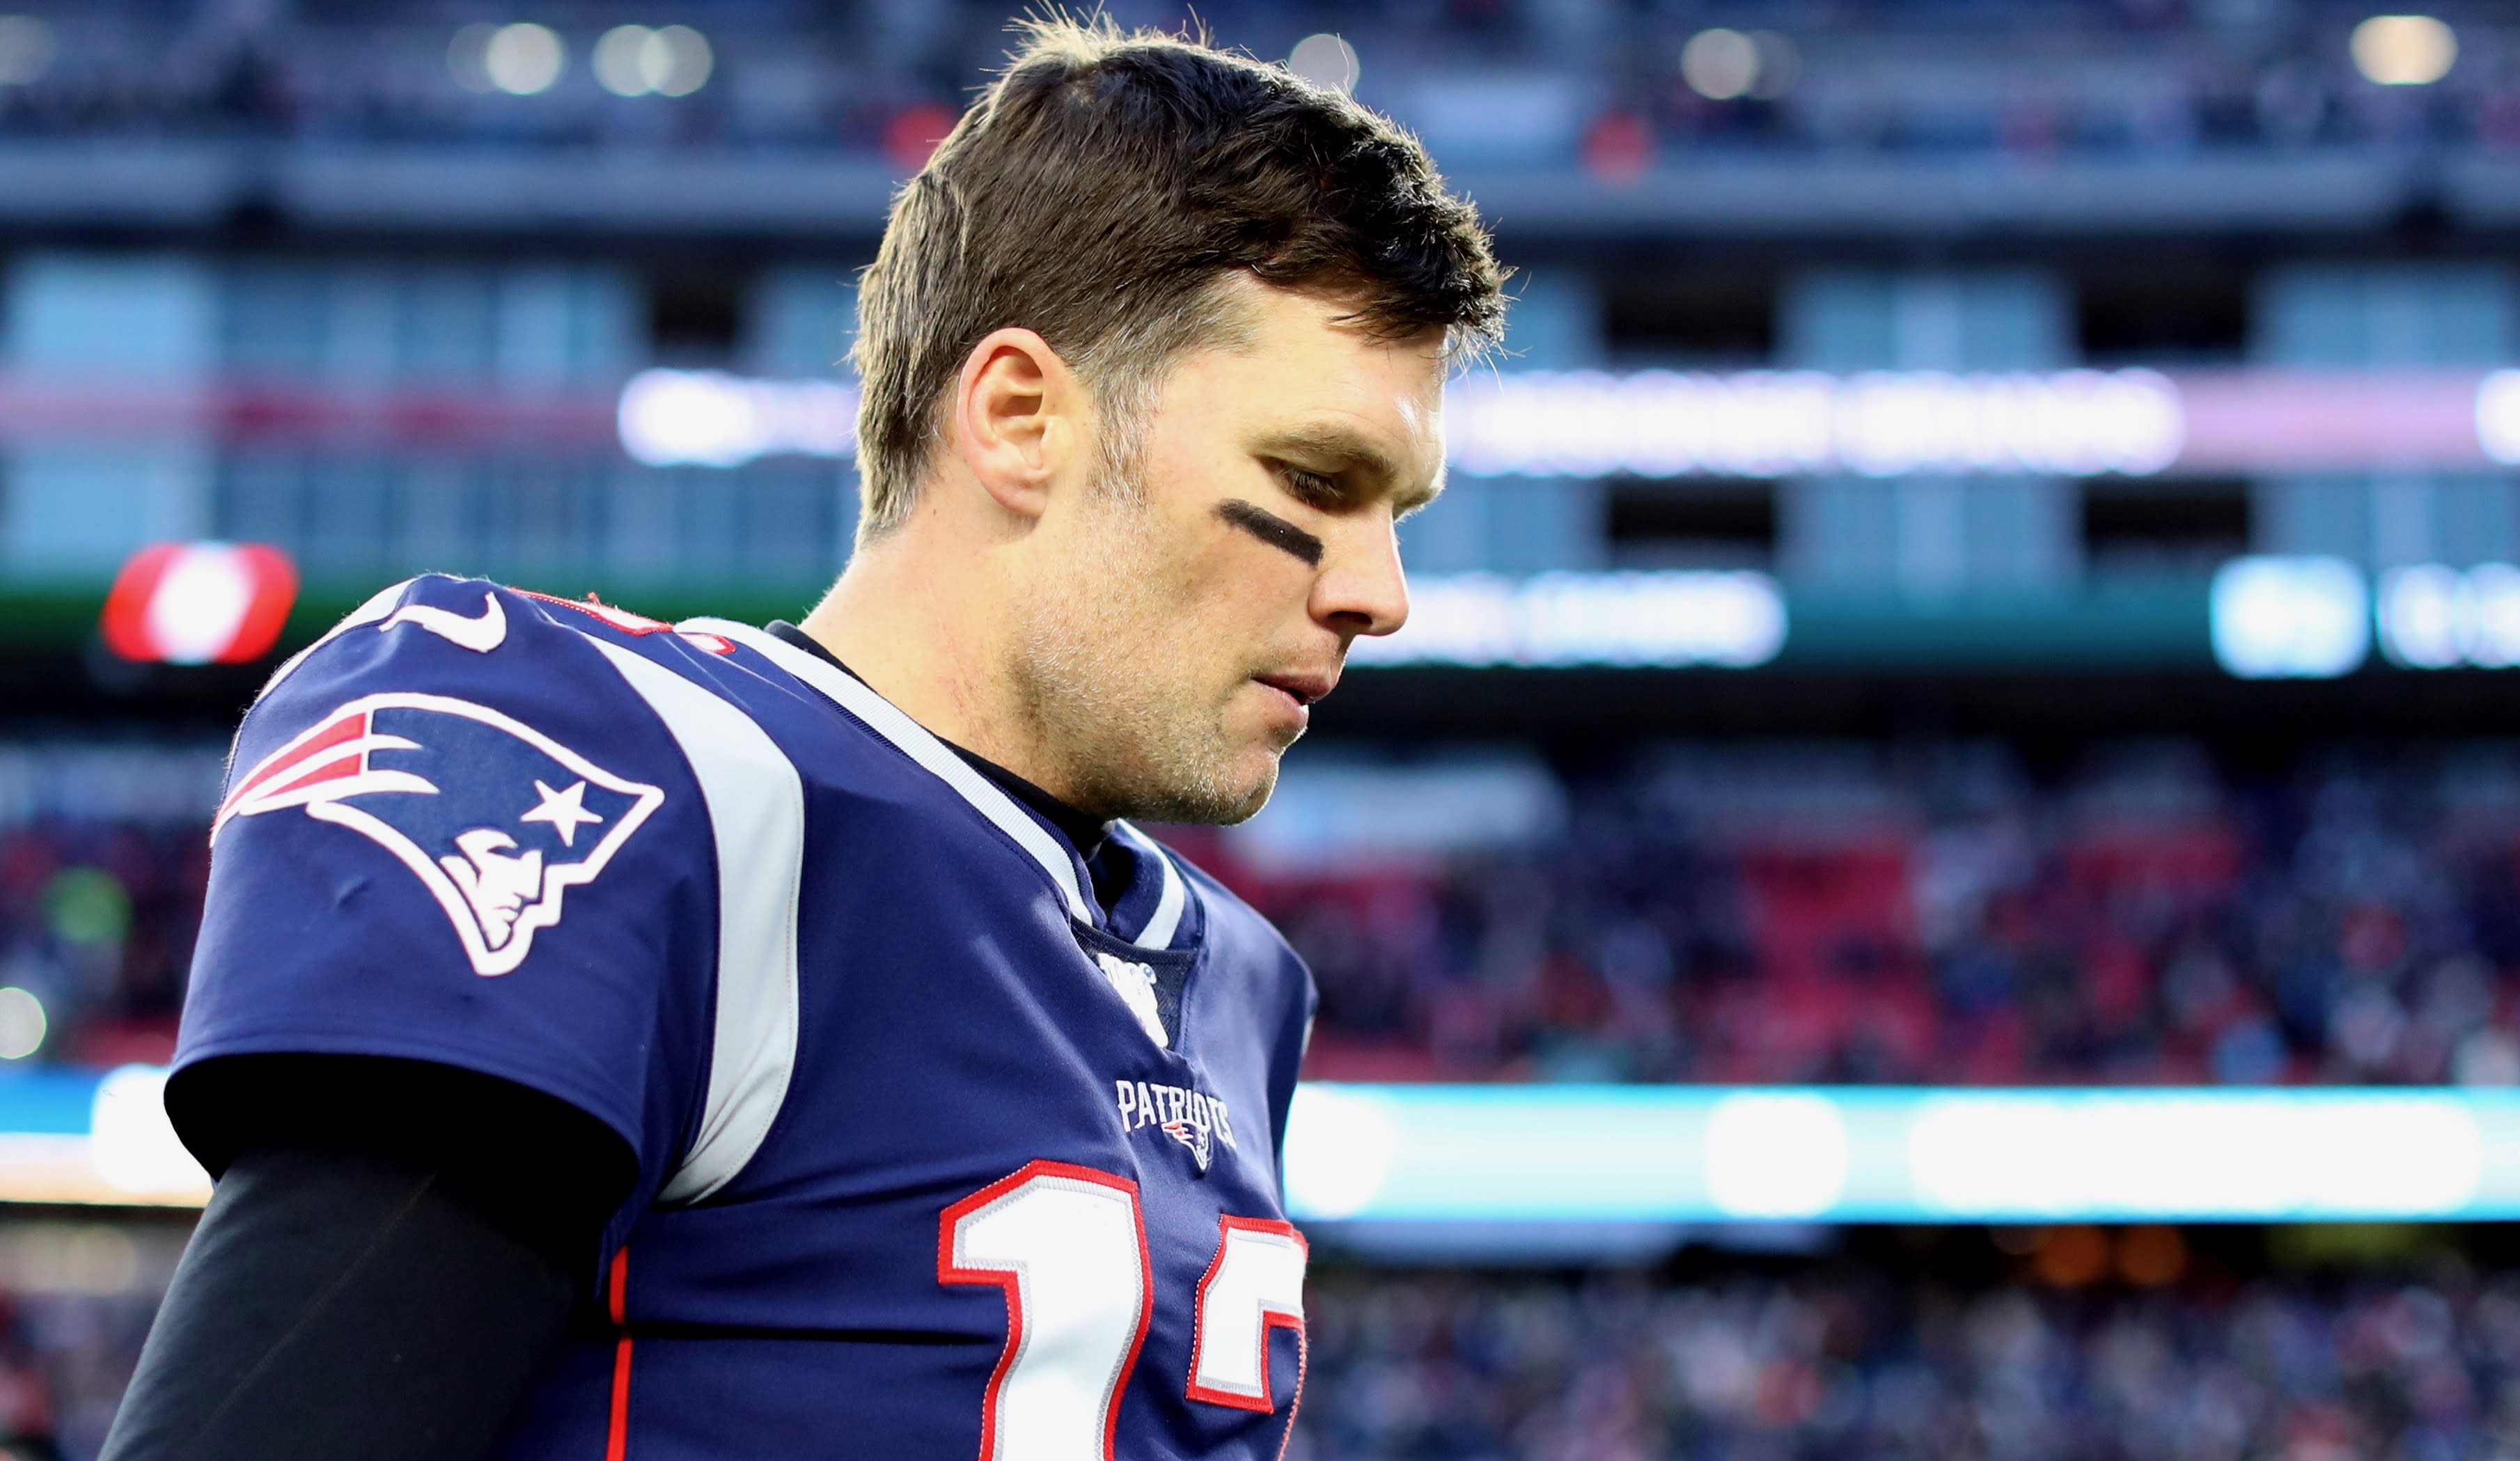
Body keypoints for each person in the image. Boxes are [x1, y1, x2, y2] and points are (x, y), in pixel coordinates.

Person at [98, 17, 1503, 1461]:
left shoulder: (1235, 981)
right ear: (1020, 416)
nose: (1375, 592)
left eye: (1394, 514)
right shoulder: (658, 784)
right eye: (1314, 479)